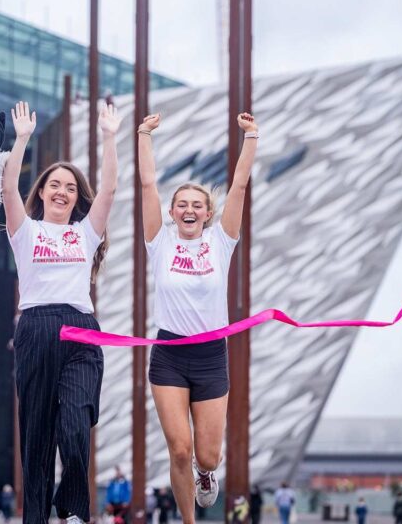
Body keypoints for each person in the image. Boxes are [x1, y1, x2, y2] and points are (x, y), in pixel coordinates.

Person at [137, 110, 260, 524]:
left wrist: (251, 138)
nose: (189, 210)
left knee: (206, 455)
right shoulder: (160, 241)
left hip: (210, 356)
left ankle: (207, 476)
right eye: (182, 205)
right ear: (172, 213)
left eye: (197, 205)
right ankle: (188, 521)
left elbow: (240, 185)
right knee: (180, 450)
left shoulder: (221, 241)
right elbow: (148, 184)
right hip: (169, 354)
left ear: (207, 214)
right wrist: (143, 135)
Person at [3, 101, 121, 524]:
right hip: (36, 329)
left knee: (74, 427)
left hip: (81, 334)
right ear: (43, 191)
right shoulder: (25, 231)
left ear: (76, 197)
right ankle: (34, 518)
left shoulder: (85, 233)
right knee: (35, 441)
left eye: (70, 187)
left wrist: (109, 136)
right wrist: (21, 140)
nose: (62, 191)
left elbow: (108, 190)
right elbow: (8, 189)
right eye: (55, 184)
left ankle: (71, 510)